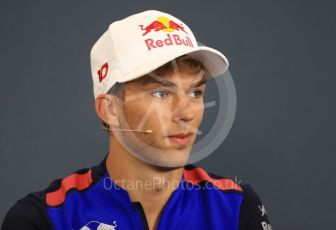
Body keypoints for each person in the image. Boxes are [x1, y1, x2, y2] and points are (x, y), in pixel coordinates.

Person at [2, 10, 272, 230]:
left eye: (195, 92)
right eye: (160, 93)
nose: (187, 113)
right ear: (110, 109)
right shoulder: (44, 218)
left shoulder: (235, 206)